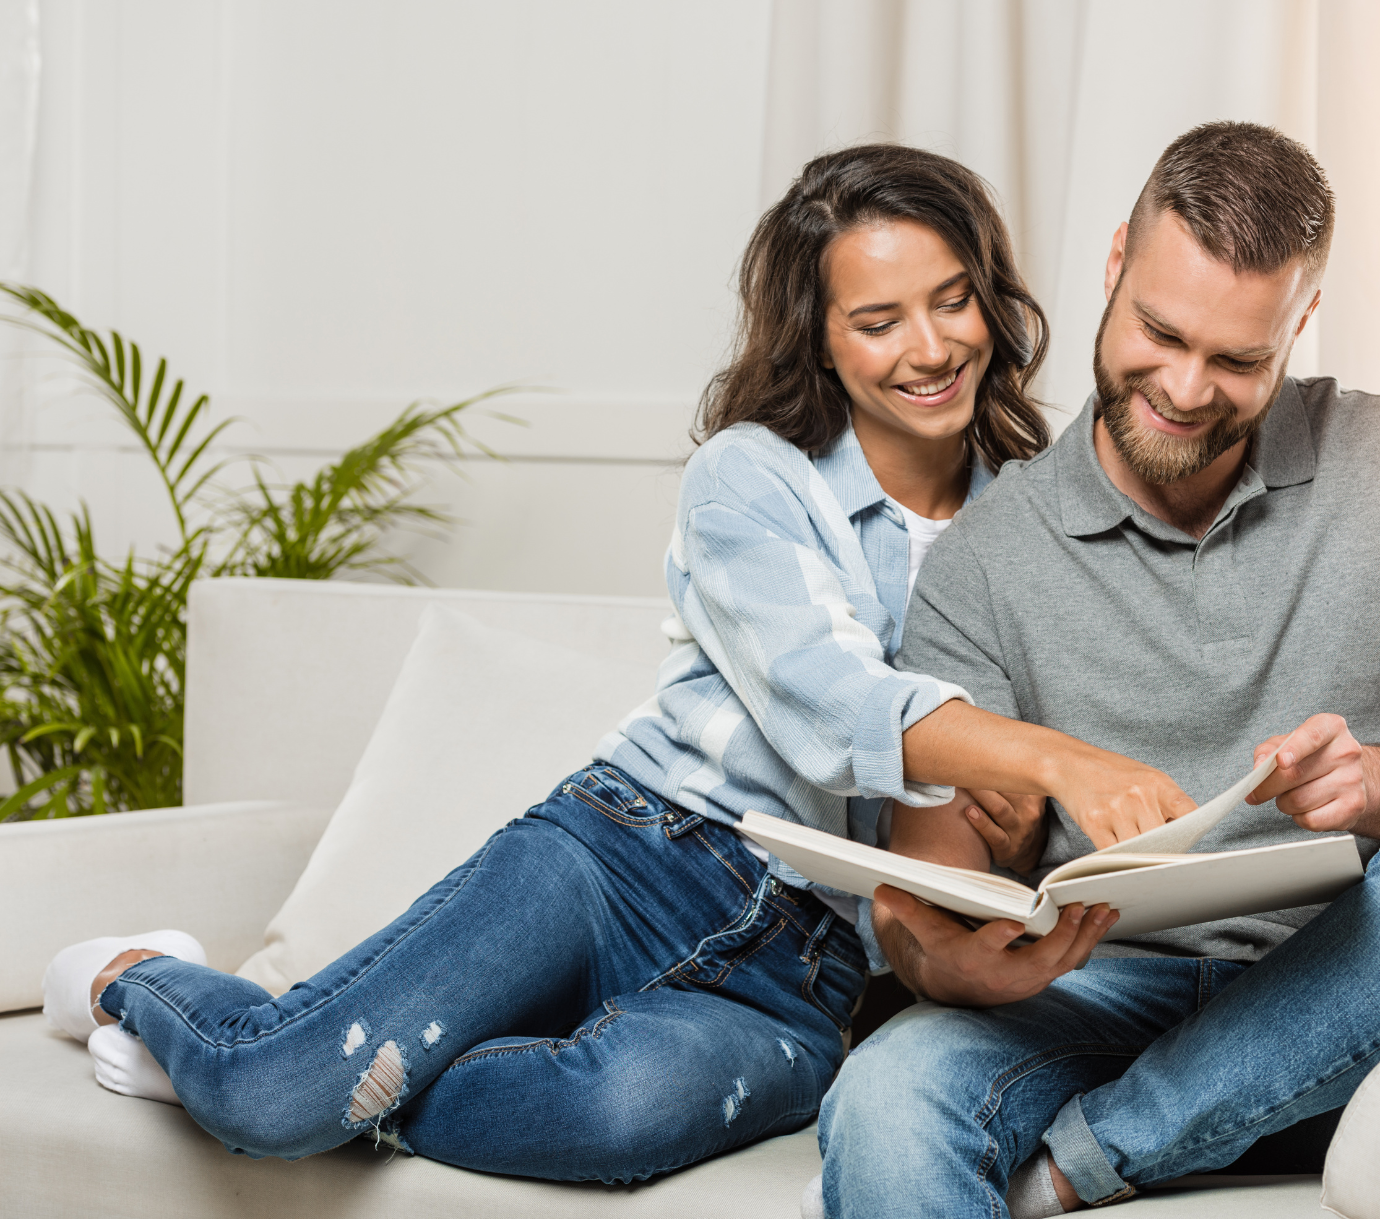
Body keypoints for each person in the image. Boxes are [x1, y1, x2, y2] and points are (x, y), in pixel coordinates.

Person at [37, 143, 1099, 1183]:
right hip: (625, 856)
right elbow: (828, 703)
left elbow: (969, 843)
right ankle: (142, 980)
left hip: (798, 976)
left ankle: (301, 1057)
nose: (928, 346)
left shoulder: (1031, 517)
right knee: (268, 1100)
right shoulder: (750, 478)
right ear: (819, 343)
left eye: (952, 301)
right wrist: (1038, 758)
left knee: (607, 1114)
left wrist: (1008, 832)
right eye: (877, 321)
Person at [810, 122, 1380, 1218]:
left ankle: (1081, 1164)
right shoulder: (986, 556)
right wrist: (949, 961)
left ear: (1298, 323)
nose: (1182, 386)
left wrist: (1378, 783)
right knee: (884, 1093)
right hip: (1103, 991)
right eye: (1157, 332)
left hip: (1360, 989)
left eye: (1236, 359)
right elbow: (927, 894)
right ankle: (1133, 1128)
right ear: (1114, 263)